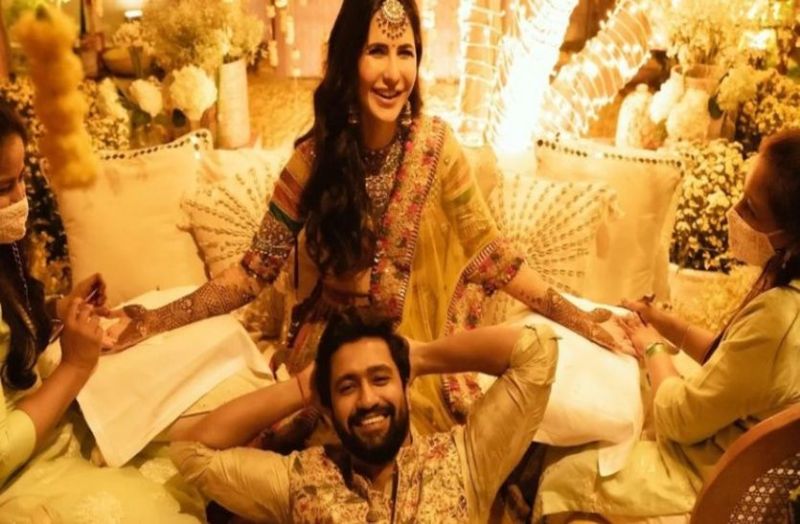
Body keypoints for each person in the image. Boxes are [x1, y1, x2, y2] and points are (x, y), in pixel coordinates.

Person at [107, 0, 627, 435]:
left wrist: (581, 319)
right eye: (377, 50)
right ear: (349, 58)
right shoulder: (314, 160)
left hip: (411, 353)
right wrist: (154, 320)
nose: (393, 73)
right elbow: (251, 272)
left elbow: (493, 255)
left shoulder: (437, 148)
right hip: (333, 353)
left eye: (406, 53)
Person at [534, 129, 800, 523]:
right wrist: (662, 323)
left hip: (706, 484)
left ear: (790, 234)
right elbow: (732, 362)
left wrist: (651, 345)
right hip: (719, 458)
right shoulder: (786, 304)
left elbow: (679, 419)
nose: (735, 214)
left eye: (751, 209)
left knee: (565, 469)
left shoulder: (777, 319)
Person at [0, 100, 200, 521]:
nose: (20, 198)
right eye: (4, 187)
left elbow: (11, 319)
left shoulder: (6, 249)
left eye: (20, 181)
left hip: (54, 429)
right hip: (20, 472)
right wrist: (75, 366)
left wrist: (61, 309)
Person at [171, 310, 558, 522]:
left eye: (380, 378)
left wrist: (422, 357)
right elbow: (191, 451)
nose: (368, 399)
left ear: (404, 384)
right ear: (327, 404)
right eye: (347, 387)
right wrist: (301, 388)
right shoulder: (302, 479)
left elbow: (537, 350)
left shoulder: (465, 460)